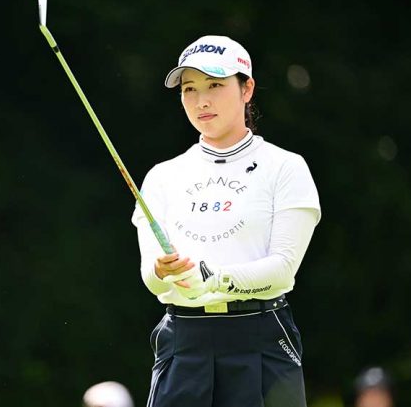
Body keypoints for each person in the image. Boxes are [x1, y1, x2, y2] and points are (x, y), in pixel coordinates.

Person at [131, 35, 321, 407]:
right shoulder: (162, 176)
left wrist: (214, 280)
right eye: (189, 88)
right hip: (183, 341)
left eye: (215, 85)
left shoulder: (285, 167)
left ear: (246, 89)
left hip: (260, 338)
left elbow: (283, 270)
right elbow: (151, 278)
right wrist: (163, 270)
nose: (201, 100)